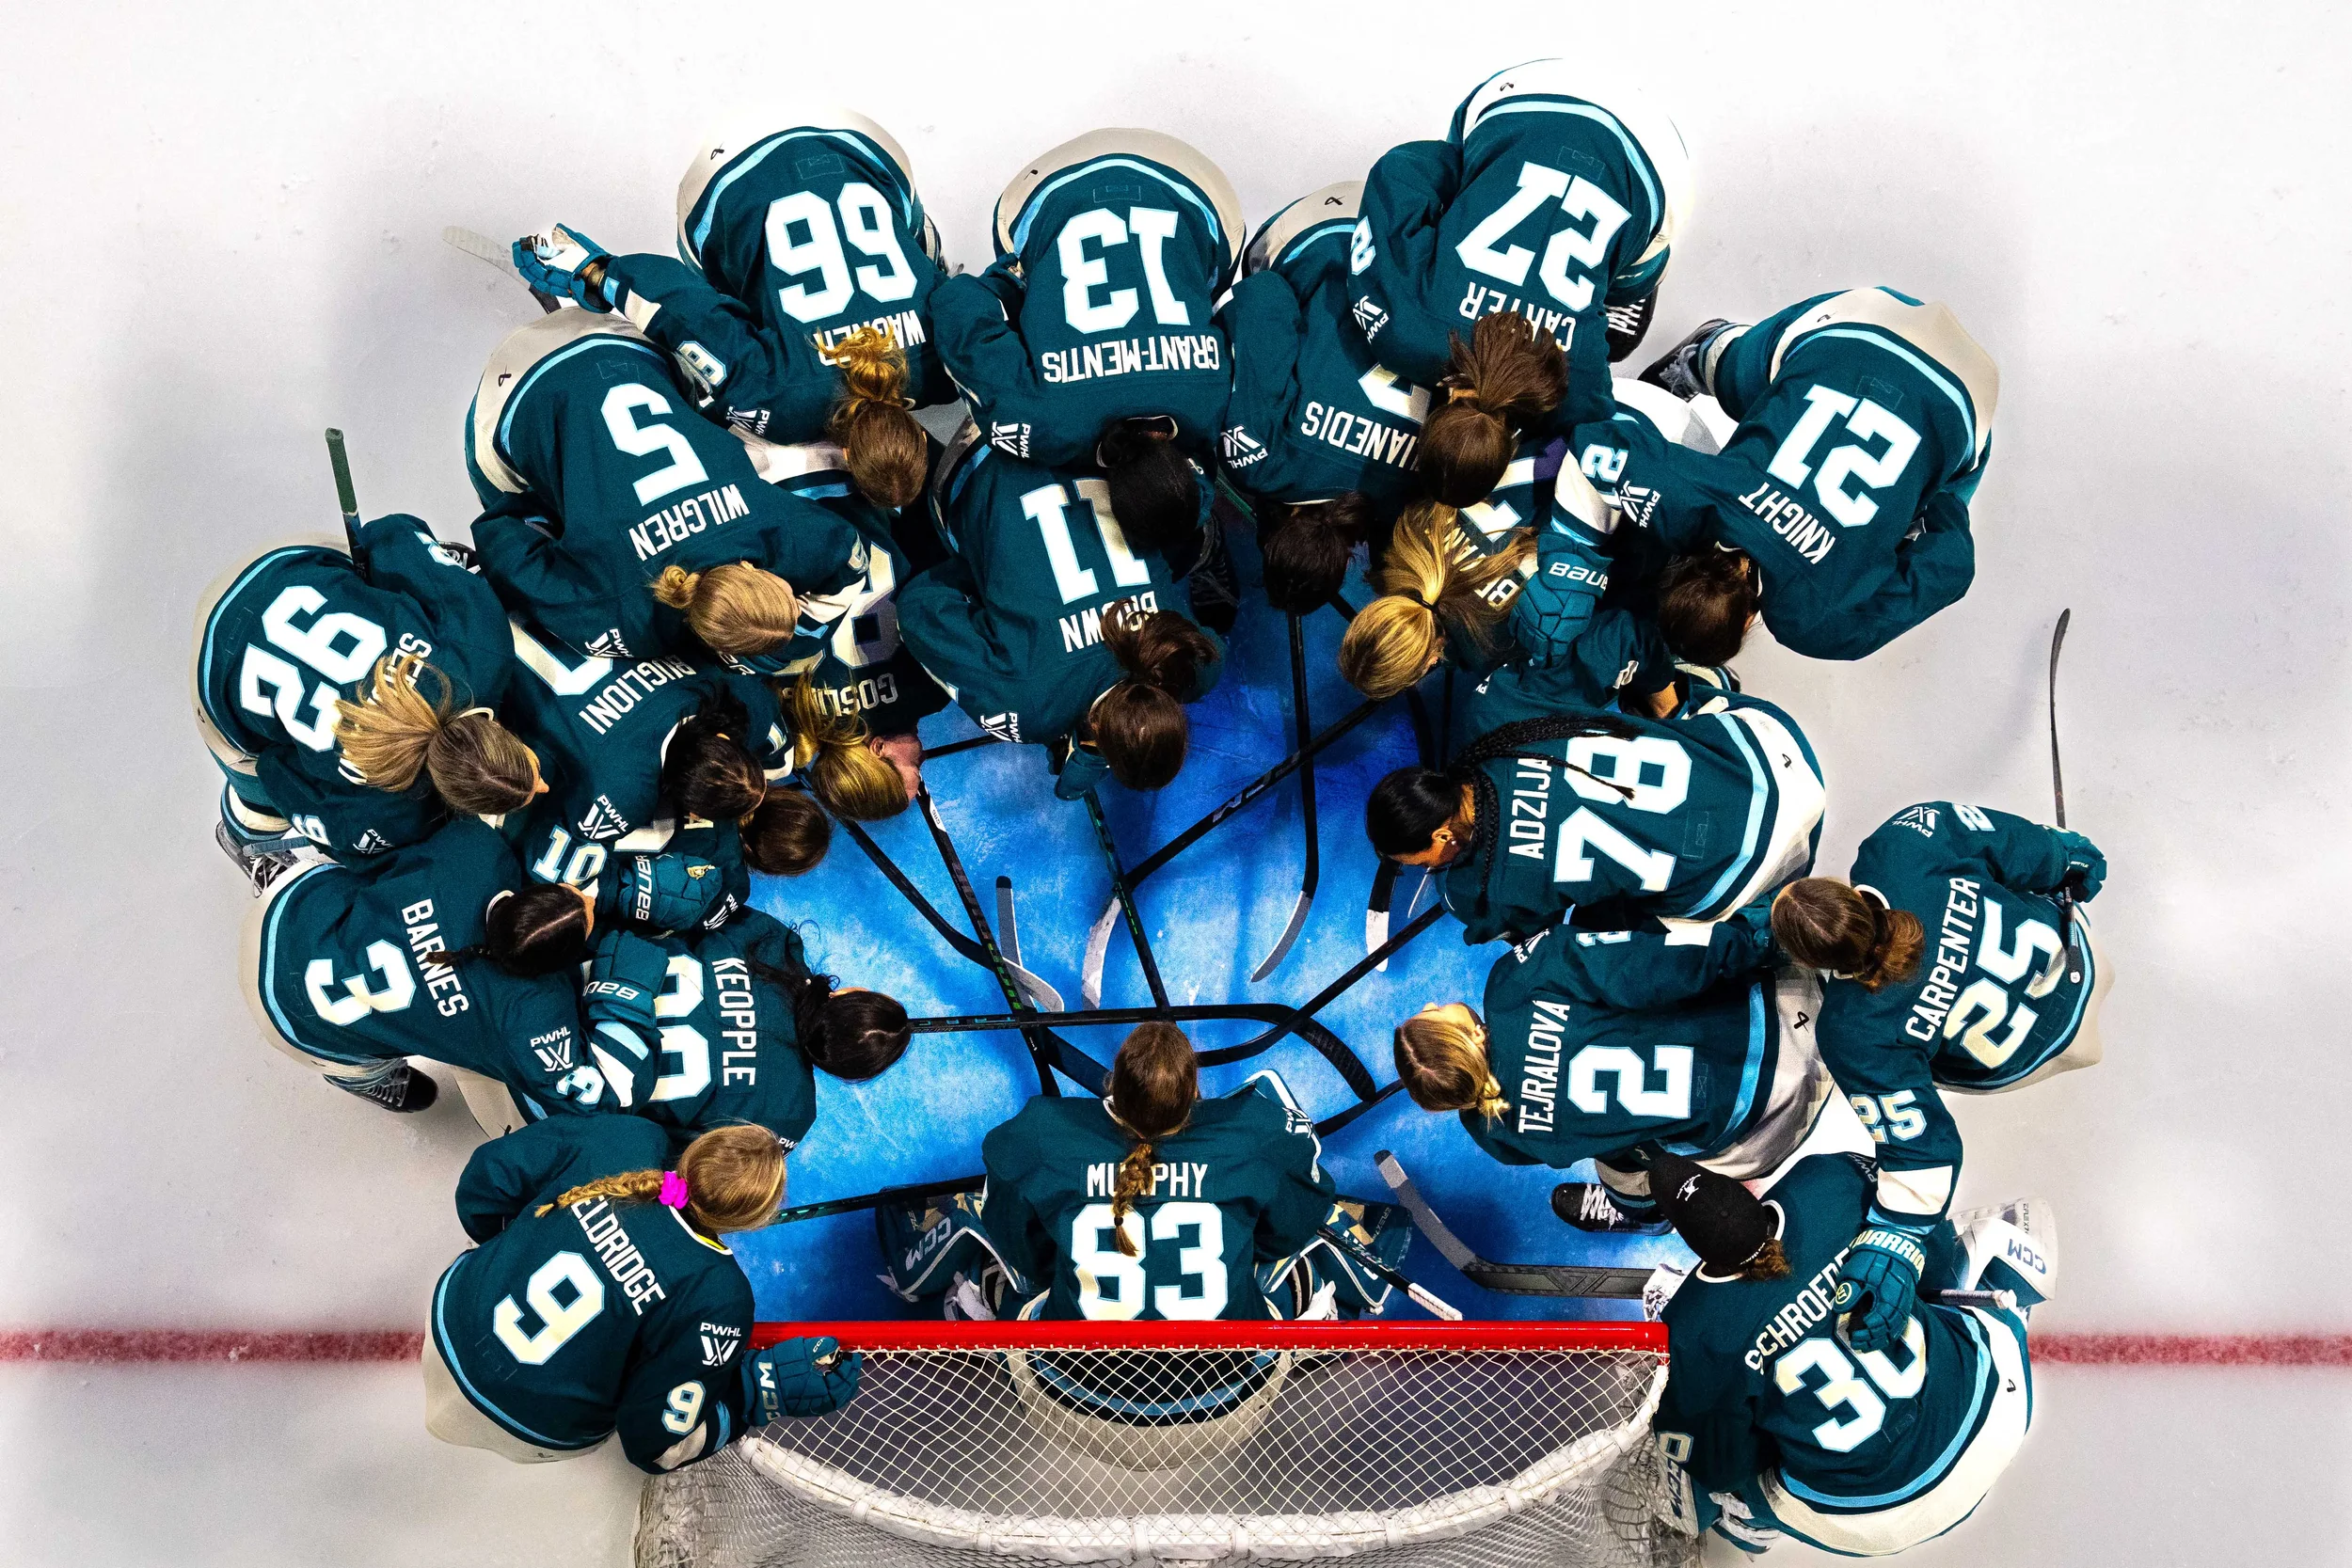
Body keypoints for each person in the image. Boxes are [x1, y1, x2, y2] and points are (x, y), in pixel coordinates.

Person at [1767, 801, 2108, 1341]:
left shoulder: (1852, 1031)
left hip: (2024, 1057)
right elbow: (2014, 845)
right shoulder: (1903, 848)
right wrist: (2060, 856)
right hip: (2078, 965)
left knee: (1899, 1053)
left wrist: (1896, 1238)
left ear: (1811, 961)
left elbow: (1922, 1149)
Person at [508, 108, 947, 507]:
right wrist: (597, 272)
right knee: (724, 361)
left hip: (860, 142)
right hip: (728, 175)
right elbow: (686, 312)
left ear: (920, 437)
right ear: (846, 455)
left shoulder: (947, 367)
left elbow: (970, 296)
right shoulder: (780, 399)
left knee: (922, 255)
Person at [1645, 1149, 2053, 1557]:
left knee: (1711, 1468)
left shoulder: (1691, 1331)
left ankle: (1750, 1524)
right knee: (1949, 1242)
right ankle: (2006, 1292)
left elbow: (1725, 1466)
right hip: (1994, 1417)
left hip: (1879, 1517)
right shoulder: (1828, 1181)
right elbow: (1934, 1254)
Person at [1580, 286, 1998, 662]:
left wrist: (1930, 496)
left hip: (1965, 392)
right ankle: (1707, 353)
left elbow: (1952, 567)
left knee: (1925, 506)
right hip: (1863, 324)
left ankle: (1701, 356)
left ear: (1747, 624)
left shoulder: (1820, 626)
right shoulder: (1691, 504)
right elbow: (1593, 439)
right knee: (1740, 375)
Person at [426, 1117, 860, 1472]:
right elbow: (655, 1446)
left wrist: (511, 1253)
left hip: (449, 1318)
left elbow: (488, 1176)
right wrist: (753, 1392)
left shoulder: (625, 1138)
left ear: (699, 1149)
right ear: (752, 1221)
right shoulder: (719, 1294)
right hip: (527, 1427)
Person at [464, 310, 870, 673]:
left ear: (754, 570)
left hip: (619, 340)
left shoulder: (776, 533)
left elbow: (850, 560)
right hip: (507, 397)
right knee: (533, 510)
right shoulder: (629, 621)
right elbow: (496, 532)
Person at [237, 817, 703, 1116]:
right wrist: (627, 983)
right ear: (557, 967)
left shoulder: (475, 854)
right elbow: (599, 1097)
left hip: (285, 917)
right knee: (370, 1040)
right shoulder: (532, 1014)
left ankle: (269, 868)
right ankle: (362, 1077)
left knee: (372, 870)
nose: (588, 900)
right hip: (297, 1028)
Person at [930, 128, 1245, 562]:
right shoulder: (1045, 428)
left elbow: (1245, 305)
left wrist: (1026, 289)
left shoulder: (1212, 414)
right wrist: (1021, 285)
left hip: (1190, 183)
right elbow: (958, 301)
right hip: (1045, 193)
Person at [1391, 916, 1828, 1226]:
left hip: (1766, 1129)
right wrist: (1767, 934)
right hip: (1787, 1010)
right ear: (1471, 1037)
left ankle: (1644, 1214)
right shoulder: (1512, 985)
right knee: (1635, 946)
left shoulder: (1493, 1134)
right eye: (1434, 1015)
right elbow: (1650, 967)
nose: (1430, 1004)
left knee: (1615, 1155)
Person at [1346, 61, 1695, 447]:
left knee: (1630, 276)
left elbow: (1591, 405)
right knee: (1456, 171)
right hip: (1527, 95)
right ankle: (1621, 287)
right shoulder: (1404, 335)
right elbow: (1401, 171)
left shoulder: (1576, 399)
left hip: (1657, 157)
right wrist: (1478, 177)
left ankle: (1617, 290)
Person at [193, 519, 535, 884]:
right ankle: (249, 831)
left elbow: (391, 534)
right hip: (214, 673)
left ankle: (438, 573)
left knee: (395, 573)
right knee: (260, 787)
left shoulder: (483, 651)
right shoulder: (388, 817)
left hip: (283, 566)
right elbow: (275, 770)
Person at [898, 421, 1224, 799]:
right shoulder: (1028, 708)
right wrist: (994, 573)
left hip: (1092, 434)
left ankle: (1211, 550)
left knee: (1183, 537)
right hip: (979, 463)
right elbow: (917, 608)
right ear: (1097, 736)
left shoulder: (1189, 659)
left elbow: (1207, 663)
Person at [1364, 684, 1825, 943]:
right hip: (1772, 757)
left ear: (1443, 836)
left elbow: (1533, 936)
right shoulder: (1495, 715)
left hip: (1756, 874)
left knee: (1611, 926)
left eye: (1420, 863)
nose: (1428, 871)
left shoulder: (1478, 893)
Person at [976, 1024, 1340, 1321]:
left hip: (1079, 1373)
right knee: (1292, 1271)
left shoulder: (1041, 1134)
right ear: (1193, 1090)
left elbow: (1017, 1238)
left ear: (1114, 1083)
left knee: (1012, 1276)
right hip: (1226, 1373)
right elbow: (1291, 1227)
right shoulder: (1255, 1134)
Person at [1215, 182, 1438, 610]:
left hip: (1418, 244)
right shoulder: (1263, 464)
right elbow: (1263, 296)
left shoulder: (1404, 498)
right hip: (1327, 230)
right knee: (1258, 276)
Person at [500, 619, 795, 879]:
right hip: (500, 671)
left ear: (724, 738)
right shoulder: (623, 796)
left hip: (523, 610)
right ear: (693, 809)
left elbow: (761, 707)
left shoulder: (724, 693)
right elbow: (552, 853)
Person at [615, 906, 913, 1150]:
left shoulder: (777, 943)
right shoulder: (788, 1119)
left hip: (599, 961)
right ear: (844, 1070)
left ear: (849, 993)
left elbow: (675, 906)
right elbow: (690, 1171)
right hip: (596, 1089)